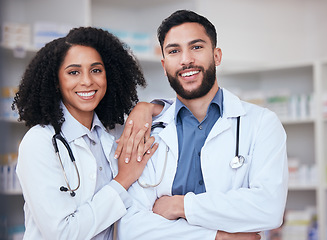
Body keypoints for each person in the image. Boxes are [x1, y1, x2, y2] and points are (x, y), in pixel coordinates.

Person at [117, 10, 288, 240]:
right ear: (164, 63)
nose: (186, 59)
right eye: (174, 51)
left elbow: (269, 208)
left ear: (216, 56)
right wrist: (218, 236)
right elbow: (131, 228)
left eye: (196, 47)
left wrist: (181, 205)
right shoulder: (146, 131)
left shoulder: (261, 124)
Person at [12, 27, 162, 239]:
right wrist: (123, 180)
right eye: (74, 72)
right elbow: (62, 233)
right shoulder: (39, 142)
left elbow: (183, 109)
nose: (87, 81)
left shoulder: (114, 132)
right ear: (56, 82)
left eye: (96, 70)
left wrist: (145, 107)